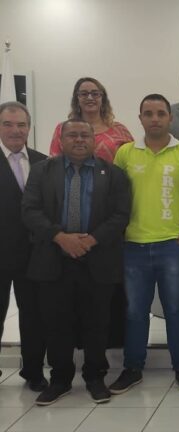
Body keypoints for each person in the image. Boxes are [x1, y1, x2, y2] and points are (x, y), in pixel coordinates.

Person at [22, 119, 131, 405]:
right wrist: (60, 237)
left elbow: (121, 215)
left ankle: (95, 377)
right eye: (72, 135)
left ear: (94, 140)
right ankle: (60, 379)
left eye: (85, 135)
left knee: (97, 322)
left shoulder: (114, 174)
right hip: (53, 258)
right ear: (61, 140)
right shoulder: (42, 171)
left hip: (98, 259)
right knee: (56, 323)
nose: (79, 139)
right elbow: (30, 211)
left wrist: (90, 240)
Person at [109, 94, 179, 395]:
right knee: (135, 311)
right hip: (133, 247)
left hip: (172, 247)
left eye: (161, 113)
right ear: (140, 118)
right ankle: (132, 368)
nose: (155, 119)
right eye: (148, 113)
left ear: (170, 118)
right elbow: (115, 201)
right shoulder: (125, 153)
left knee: (176, 311)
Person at [0, 101, 47, 389]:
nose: (15, 130)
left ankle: (33, 372)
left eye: (21, 124)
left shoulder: (44, 162)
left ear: (29, 127)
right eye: (8, 124)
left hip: (34, 254)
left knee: (34, 316)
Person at [49, 77, 133, 164]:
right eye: (84, 94)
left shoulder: (119, 130)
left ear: (102, 99)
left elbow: (133, 161)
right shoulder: (63, 129)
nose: (90, 98)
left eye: (95, 94)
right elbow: (53, 164)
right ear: (77, 100)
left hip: (112, 173)